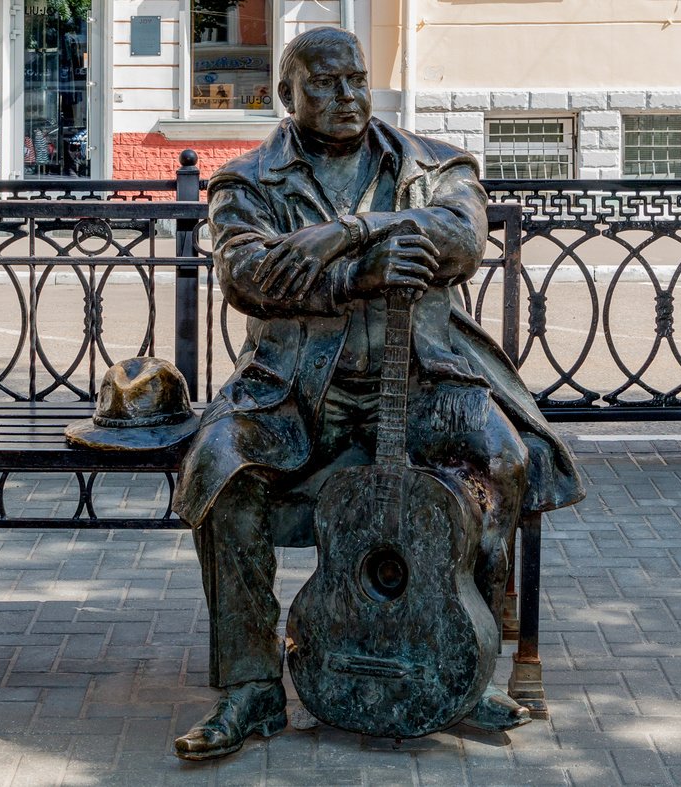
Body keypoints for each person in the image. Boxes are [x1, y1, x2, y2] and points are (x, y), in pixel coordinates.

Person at [172, 27, 585, 761]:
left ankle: (468, 667)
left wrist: (349, 231)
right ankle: (253, 687)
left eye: (356, 80)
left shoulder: (431, 165)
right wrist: (360, 271)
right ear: (285, 96)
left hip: (424, 380)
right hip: (295, 394)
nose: (345, 98)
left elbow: (461, 235)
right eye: (324, 85)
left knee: (502, 459)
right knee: (223, 465)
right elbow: (248, 276)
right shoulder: (248, 182)